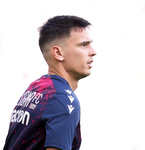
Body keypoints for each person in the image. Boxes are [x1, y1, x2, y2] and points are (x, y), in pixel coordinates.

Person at [3, 15, 97, 150]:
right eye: (84, 45)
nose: (93, 52)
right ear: (58, 53)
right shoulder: (63, 100)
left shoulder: (35, 89)